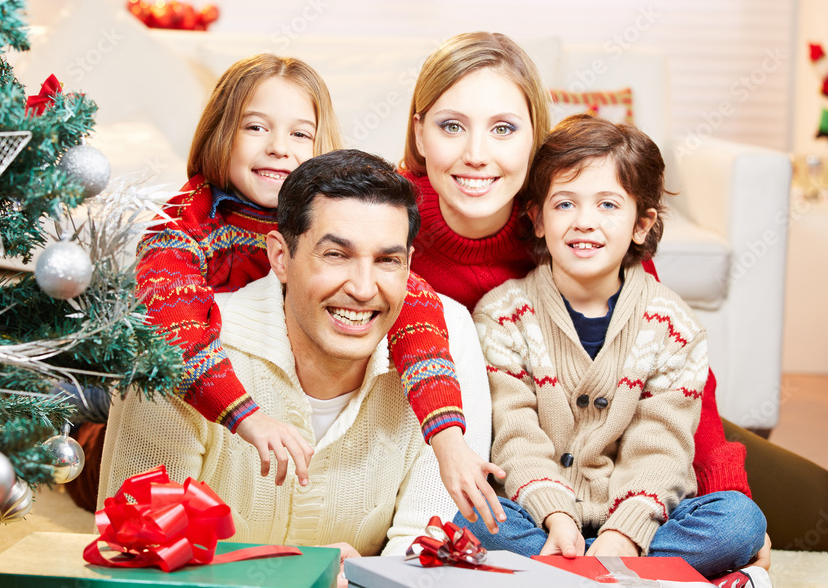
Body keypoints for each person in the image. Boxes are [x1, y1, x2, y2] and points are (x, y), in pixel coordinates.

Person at [398, 32, 779, 567]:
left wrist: (734, 497)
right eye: (451, 126)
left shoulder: (591, 238)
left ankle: (591, 563)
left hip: (642, 436)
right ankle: (598, 565)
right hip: (512, 472)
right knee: (465, 521)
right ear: (419, 131)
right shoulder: (386, 221)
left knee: (749, 519)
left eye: (503, 128)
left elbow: (683, 404)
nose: (476, 154)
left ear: (535, 138)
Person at [129, 53, 504, 529]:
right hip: (201, 376)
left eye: (300, 134)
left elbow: (419, 318)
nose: (279, 149)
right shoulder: (182, 229)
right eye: (255, 128)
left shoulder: (338, 214)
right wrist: (249, 417)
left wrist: (447, 437)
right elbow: (172, 335)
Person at [97, 150, 494, 577]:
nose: (363, 289)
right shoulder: (180, 349)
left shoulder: (449, 335)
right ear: (280, 258)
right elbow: (136, 556)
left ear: (409, 264)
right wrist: (304, 574)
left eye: (387, 260)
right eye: (336, 255)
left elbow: (427, 552)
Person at [456, 114, 766, 576]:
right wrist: (555, 513)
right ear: (537, 219)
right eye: (564, 205)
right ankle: (601, 573)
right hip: (539, 517)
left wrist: (625, 531)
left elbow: (661, 444)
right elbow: (514, 431)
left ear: (641, 225)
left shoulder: (672, 325)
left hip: (644, 523)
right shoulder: (502, 314)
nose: (584, 222)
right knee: (473, 521)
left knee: (740, 523)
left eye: (607, 205)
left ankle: (577, 572)